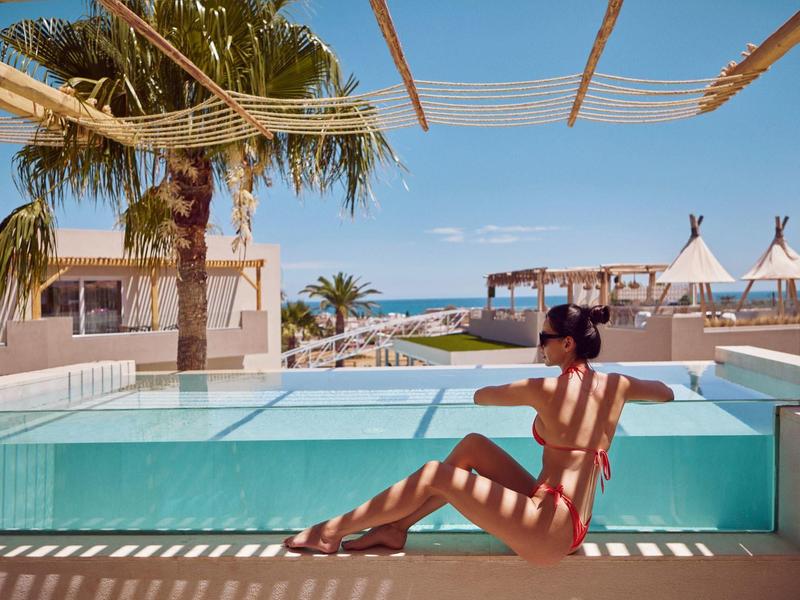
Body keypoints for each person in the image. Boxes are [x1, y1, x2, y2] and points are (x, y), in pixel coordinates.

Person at [284, 303, 674, 566]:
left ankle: (331, 531)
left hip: (547, 531)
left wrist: (529, 393)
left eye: (545, 338)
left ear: (567, 344)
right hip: (570, 522)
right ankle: (395, 528)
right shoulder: (617, 385)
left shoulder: (546, 389)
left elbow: (482, 396)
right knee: (472, 446)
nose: (540, 346)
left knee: (438, 473)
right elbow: (666, 392)